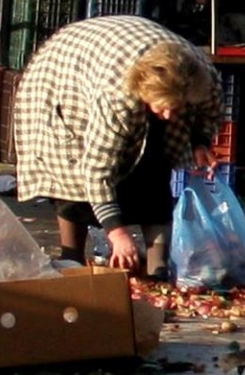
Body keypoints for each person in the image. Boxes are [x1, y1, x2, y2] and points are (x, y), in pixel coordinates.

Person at [14, 15, 222, 278]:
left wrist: (200, 141)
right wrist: (118, 233)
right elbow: (96, 172)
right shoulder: (116, 96)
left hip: (128, 51)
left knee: (155, 168)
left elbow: (209, 110)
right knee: (72, 175)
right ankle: (72, 258)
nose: (169, 116)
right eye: (163, 107)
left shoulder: (201, 78)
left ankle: (157, 266)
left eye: (176, 107)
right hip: (65, 74)